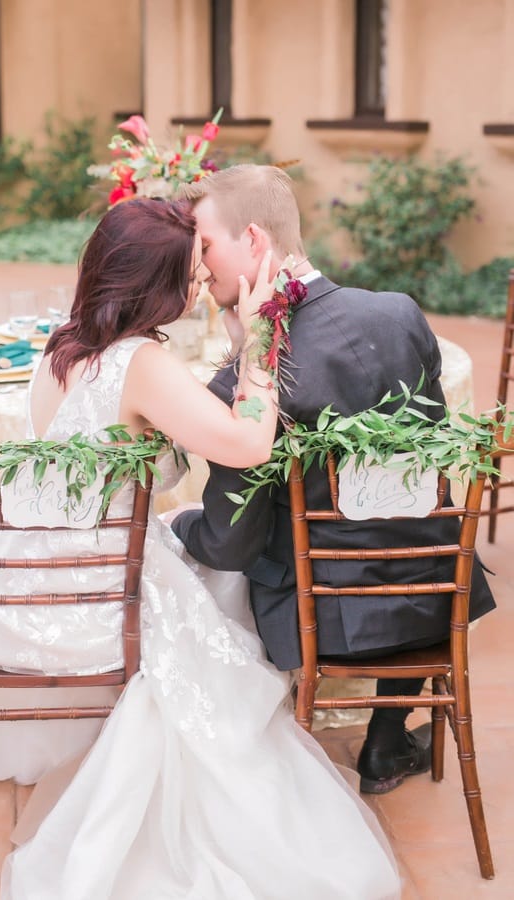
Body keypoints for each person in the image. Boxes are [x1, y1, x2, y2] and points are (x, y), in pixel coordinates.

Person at [0, 199, 400, 899]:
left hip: (16, 581)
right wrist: (262, 339)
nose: (202, 282)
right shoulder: (140, 364)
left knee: (194, 545)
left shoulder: (61, 345)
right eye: (191, 272)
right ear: (154, 288)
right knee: (227, 582)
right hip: (94, 596)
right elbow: (247, 443)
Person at [171, 164, 496, 794]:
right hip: (435, 592)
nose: (200, 266)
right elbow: (416, 468)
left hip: (317, 621)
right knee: (400, 531)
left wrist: (183, 525)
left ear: (255, 242)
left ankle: (272, 752)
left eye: (205, 245)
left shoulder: (248, 386)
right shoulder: (398, 315)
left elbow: (232, 541)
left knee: (211, 562)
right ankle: (386, 736)